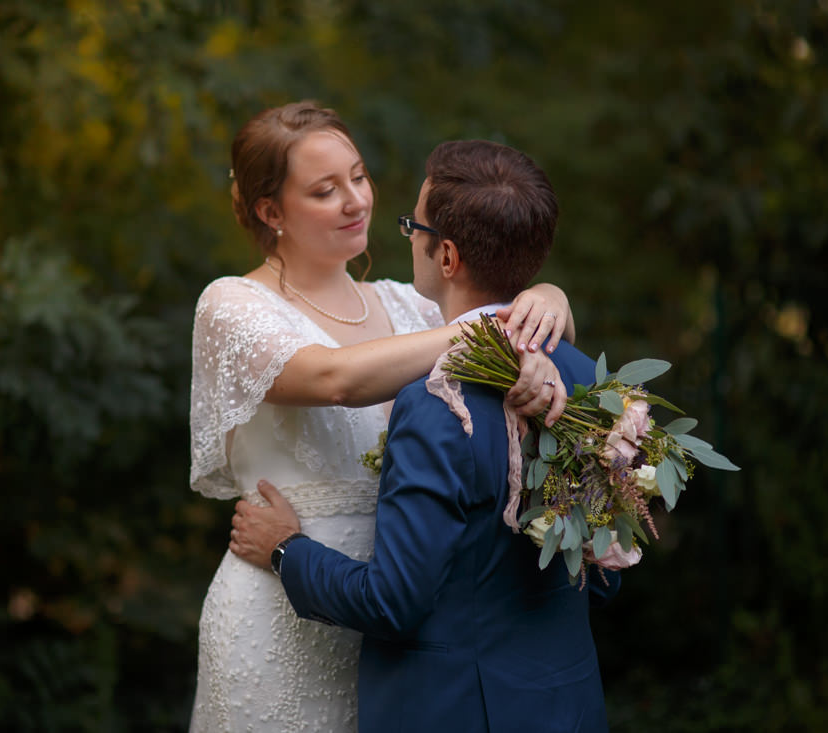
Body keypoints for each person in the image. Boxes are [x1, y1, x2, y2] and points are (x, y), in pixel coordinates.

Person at [189, 103, 578, 732]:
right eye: (324, 190)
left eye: (359, 177)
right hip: (277, 609)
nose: (356, 201)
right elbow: (334, 378)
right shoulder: (231, 307)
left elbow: (492, 315)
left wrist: (541, 298)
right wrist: (492, 325)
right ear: (270, 211)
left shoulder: (410, 307)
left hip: (396, 617)